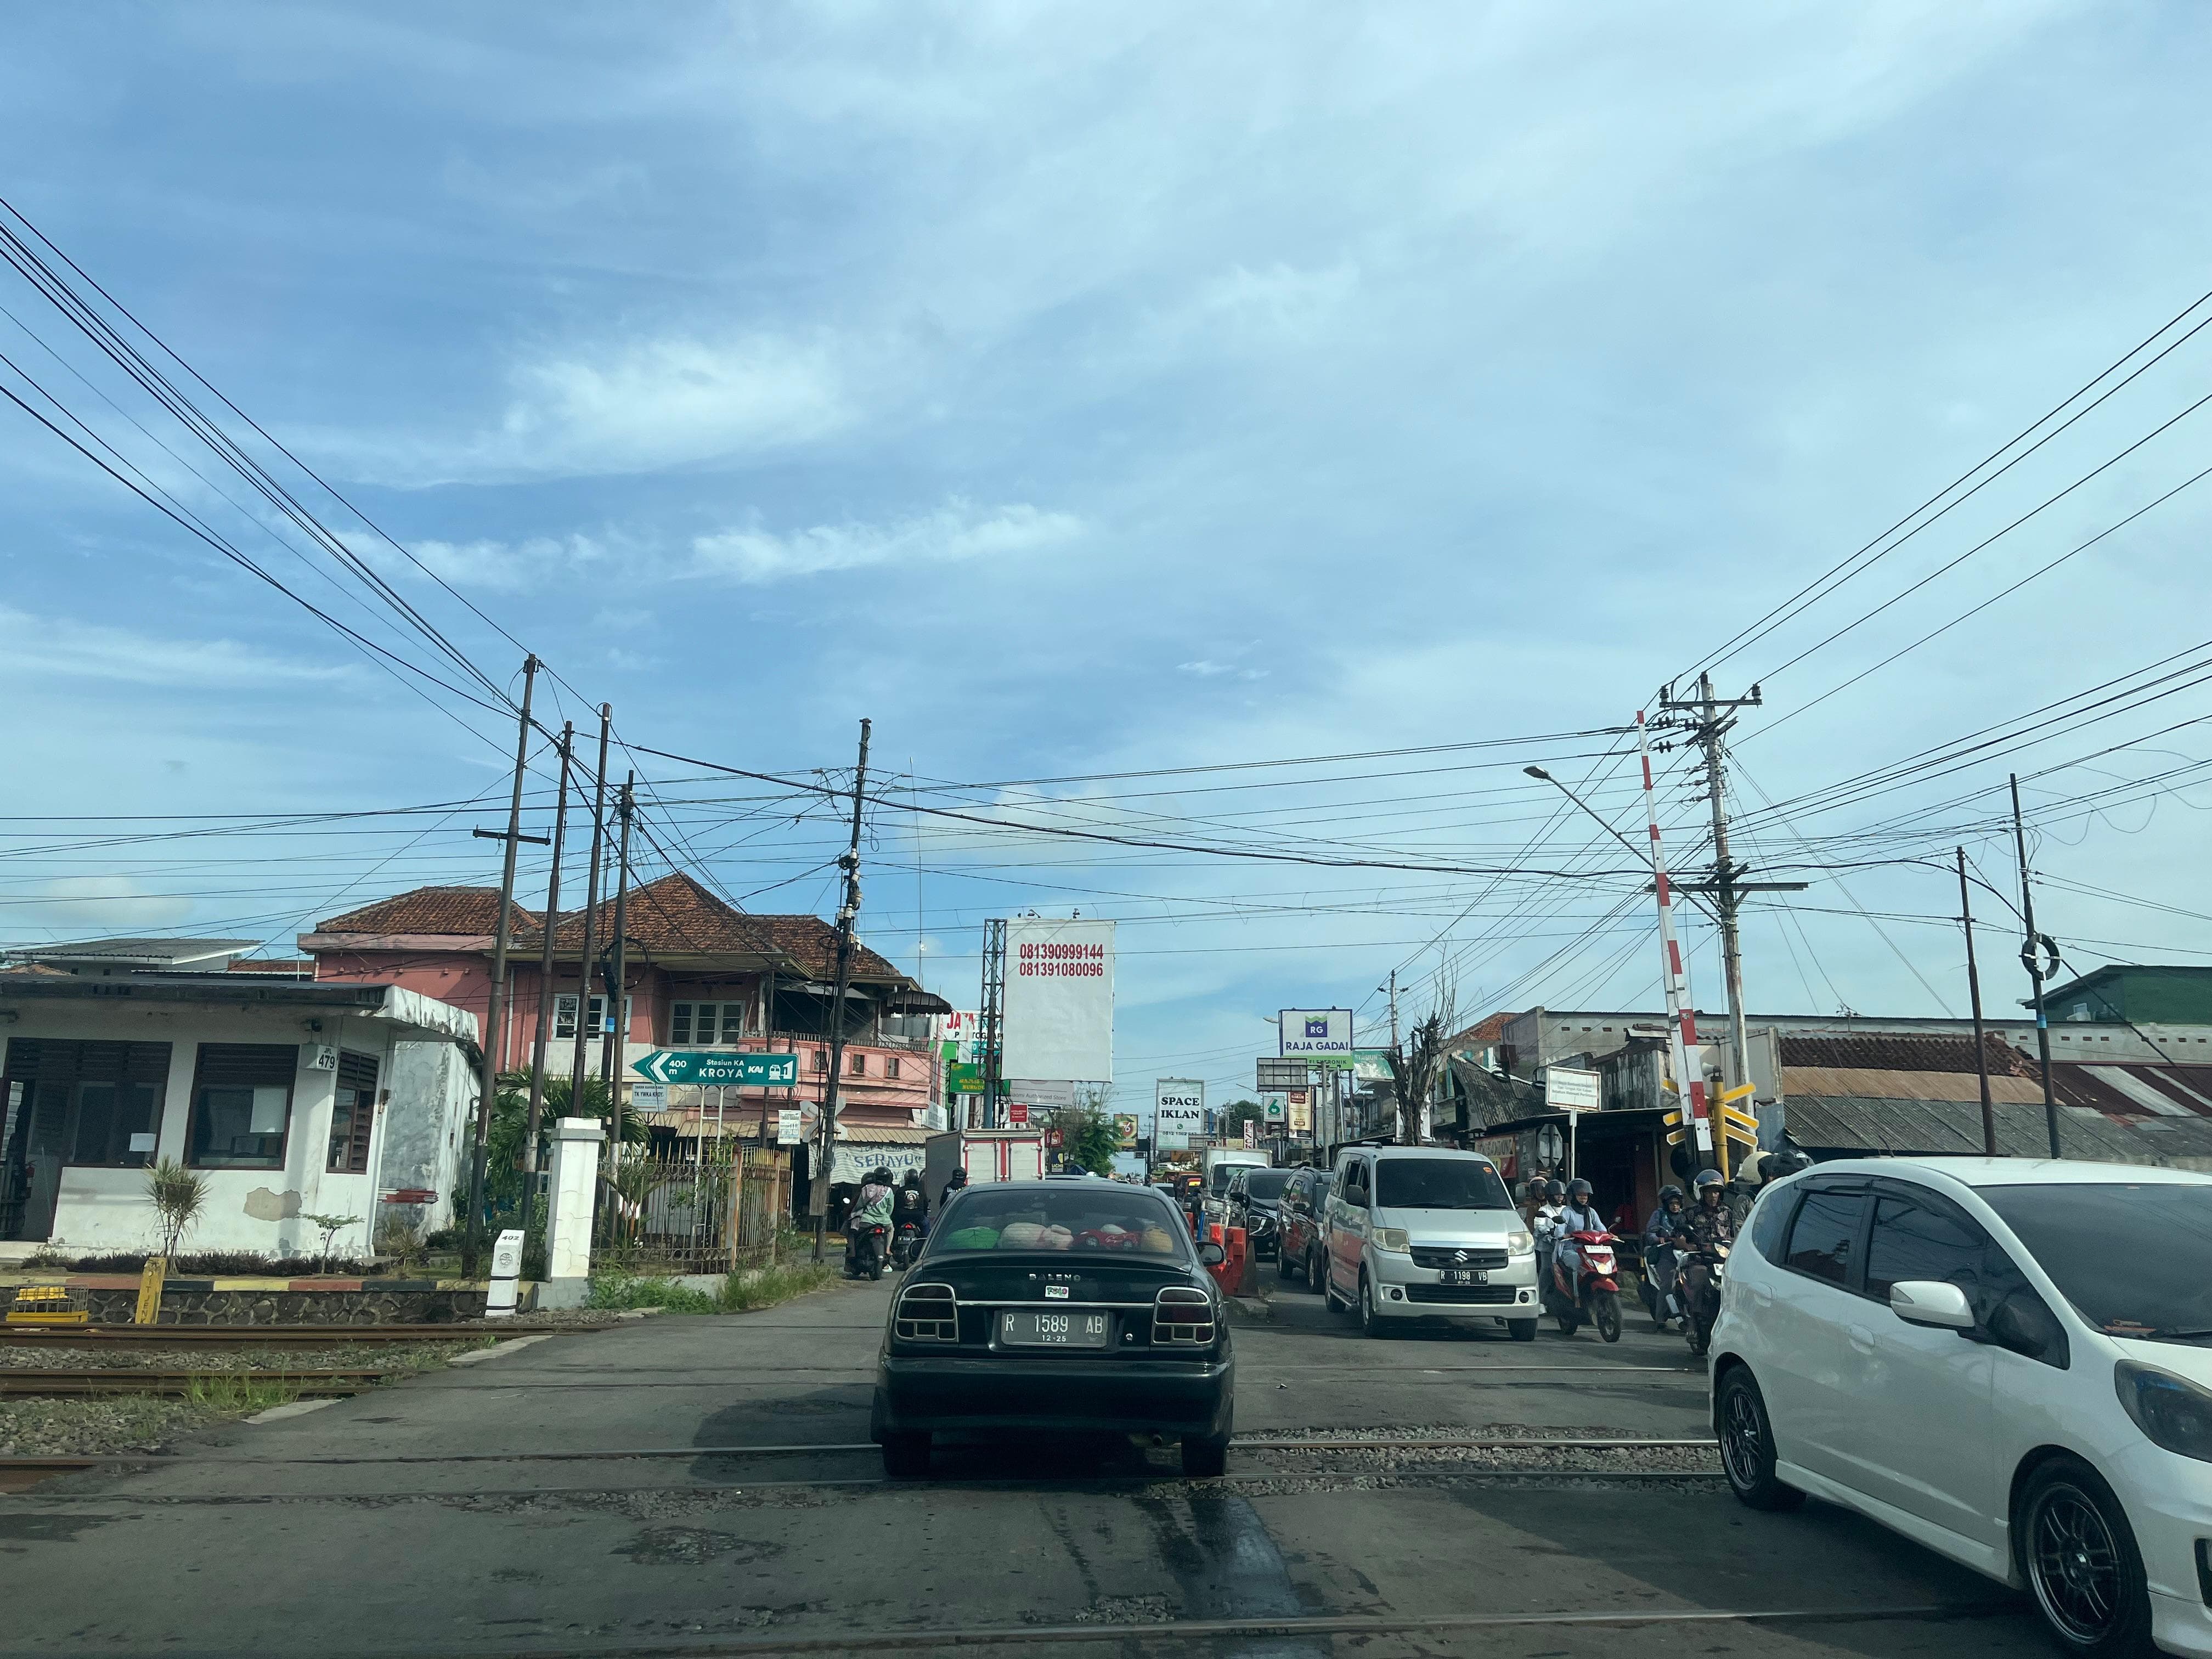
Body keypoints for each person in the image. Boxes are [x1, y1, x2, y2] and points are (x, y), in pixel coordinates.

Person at [1551, 1177, 1607, 1294]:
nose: (1583, 1198)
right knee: (1580, 1264)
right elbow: (1559, 1231)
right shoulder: (1568, 1212)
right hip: (1571, 1251)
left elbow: (1601, 1228)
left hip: (1591, 1250)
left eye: (1585, 1195)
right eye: (1580, 1195)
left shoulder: (1591, 1212)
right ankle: (1576, 1296)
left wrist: (1609, 1235)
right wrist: (1563, 1235)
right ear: (1573, 1196)